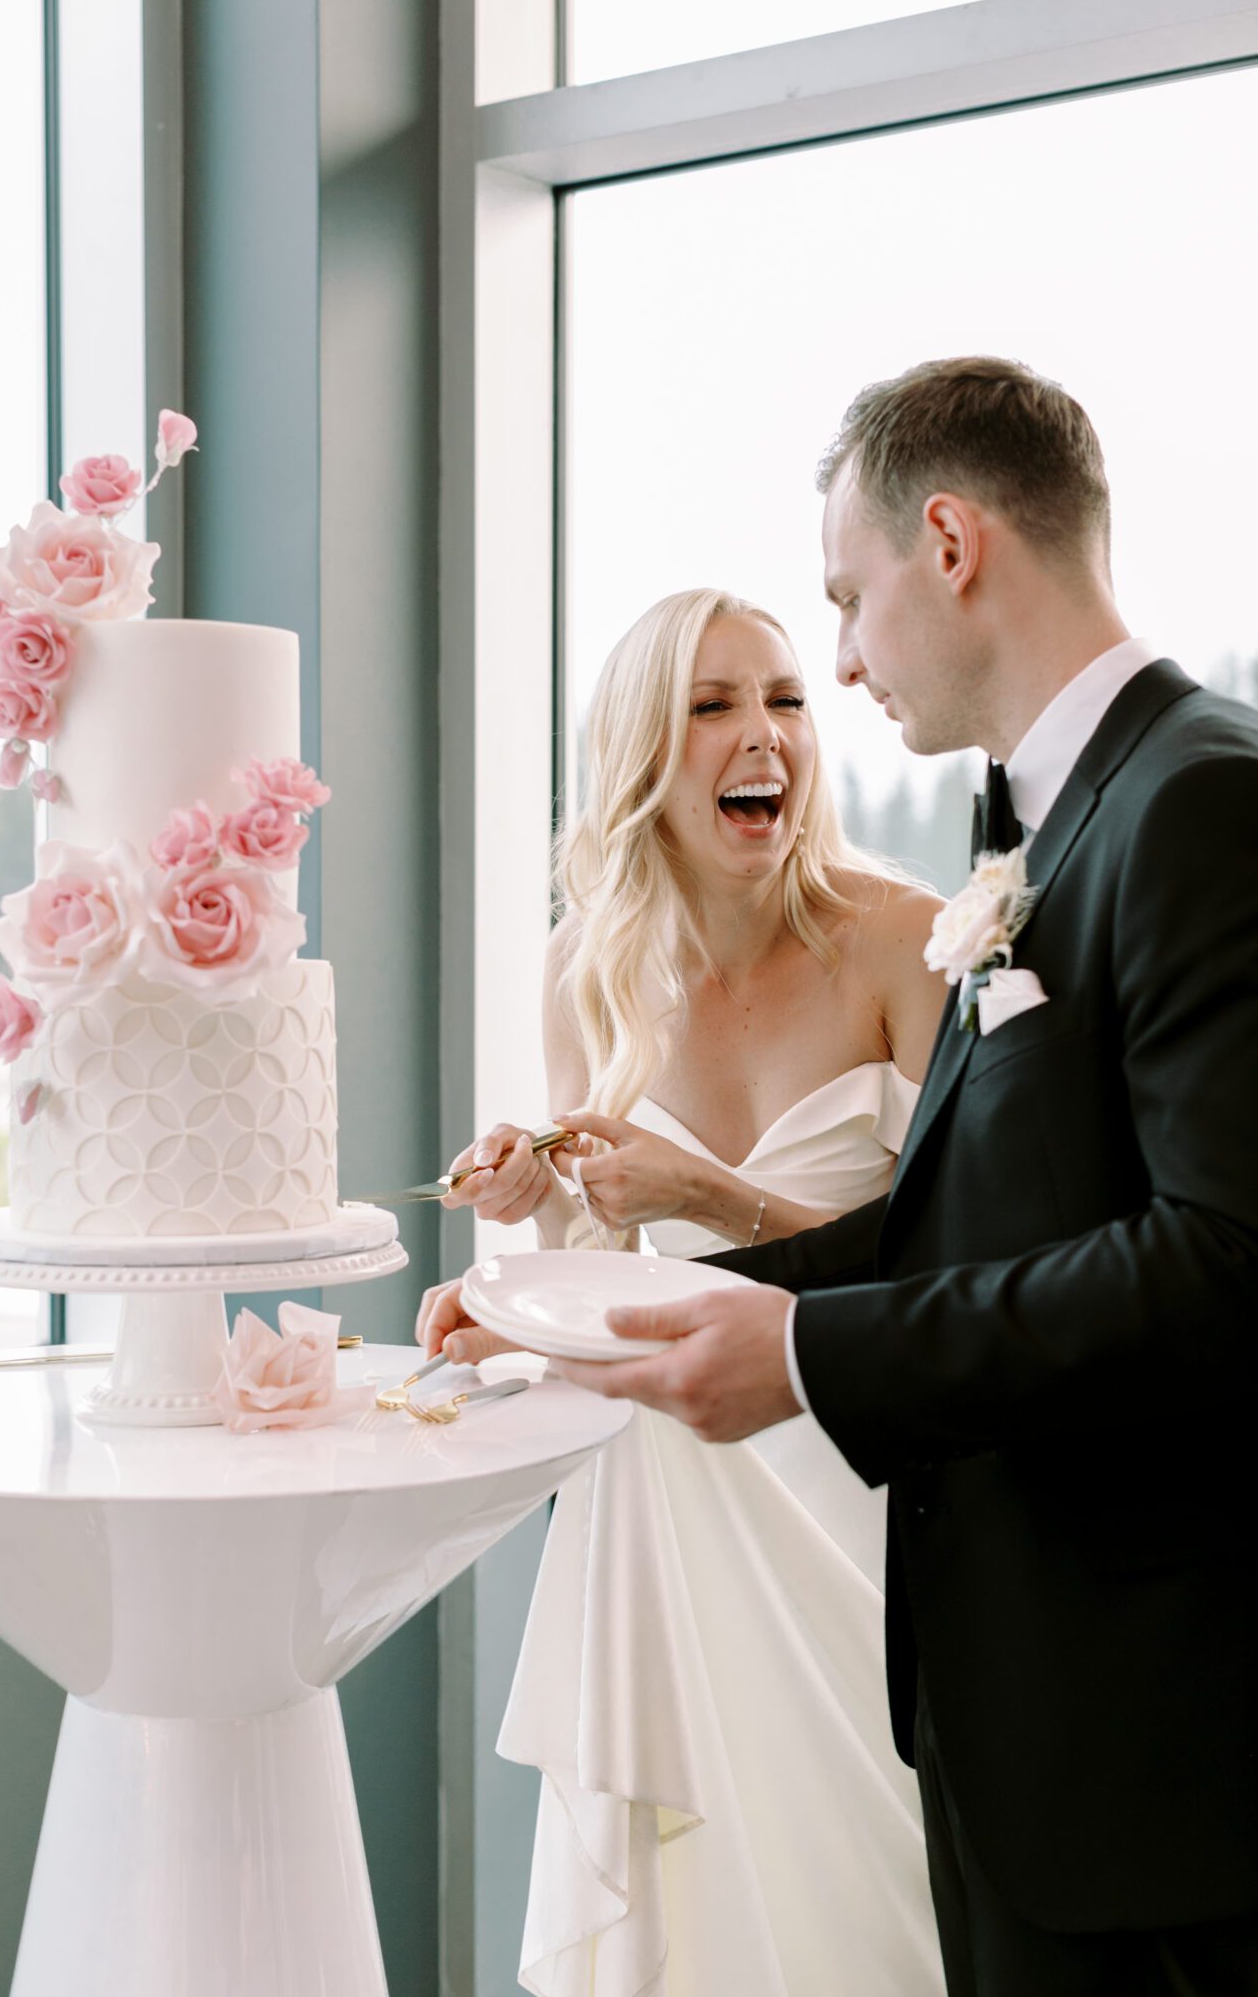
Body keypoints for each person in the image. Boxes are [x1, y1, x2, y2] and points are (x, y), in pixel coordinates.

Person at [537, 359, 1258, 1996]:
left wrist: (802, 1359)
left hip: (1152, 1748)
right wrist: (609, 1314)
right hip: (1022, 1728)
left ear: (948, 542)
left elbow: (1222, 1260)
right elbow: (990, 1221)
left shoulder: (1199, 800)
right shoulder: (1047, 826)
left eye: (844, 604)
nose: (842, 662)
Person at [419, 586, 949, 1993]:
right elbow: (611, 1285)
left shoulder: (906, 942)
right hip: (677, 1507)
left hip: (875, 1493)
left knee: (883, 1903)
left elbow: (968, 1271)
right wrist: (525, 1244)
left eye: (781, 697)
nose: (760, 734)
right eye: (711, 706)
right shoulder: (584, 974)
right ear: (644, 755)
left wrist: (708, 1197)